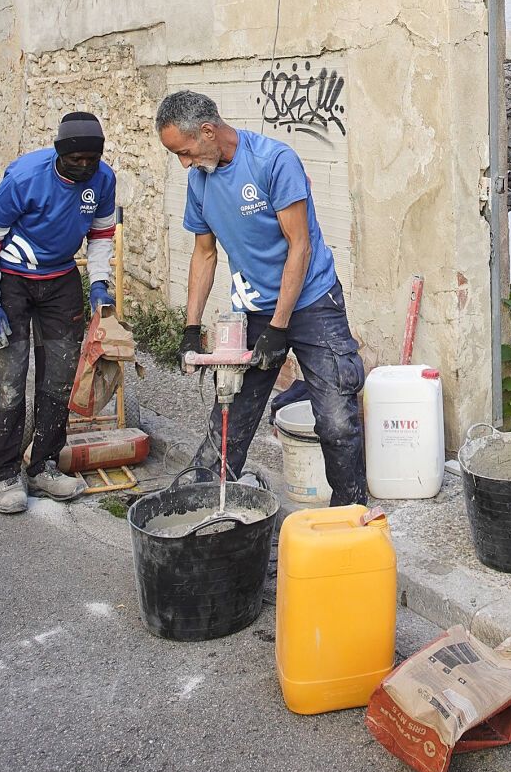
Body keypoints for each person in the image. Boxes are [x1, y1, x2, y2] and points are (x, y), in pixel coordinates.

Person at [155, 89, 366, 505]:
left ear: (208, 131)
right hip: (253, 310)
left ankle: (349, 515)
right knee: (229, 420)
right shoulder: (199, 181)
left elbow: (299, 246)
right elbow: (204, 253)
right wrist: (191, 327)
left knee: (336, 422)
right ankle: (205, 511)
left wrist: (278, 327)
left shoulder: (273, 162)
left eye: (185, 152)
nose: (184, 163)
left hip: (312, 303)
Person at [0, 111, 117, 515]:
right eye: (75, 159)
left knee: (60, 376)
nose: (84, 166)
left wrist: (99, 282)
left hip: (61, 279)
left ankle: (44, 465)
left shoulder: (103, 181)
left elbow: (101, 234)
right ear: (58, 153)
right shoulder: (25, 179)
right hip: (11, 280)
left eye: (91, 159)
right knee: (7, 377)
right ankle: (4, 473)